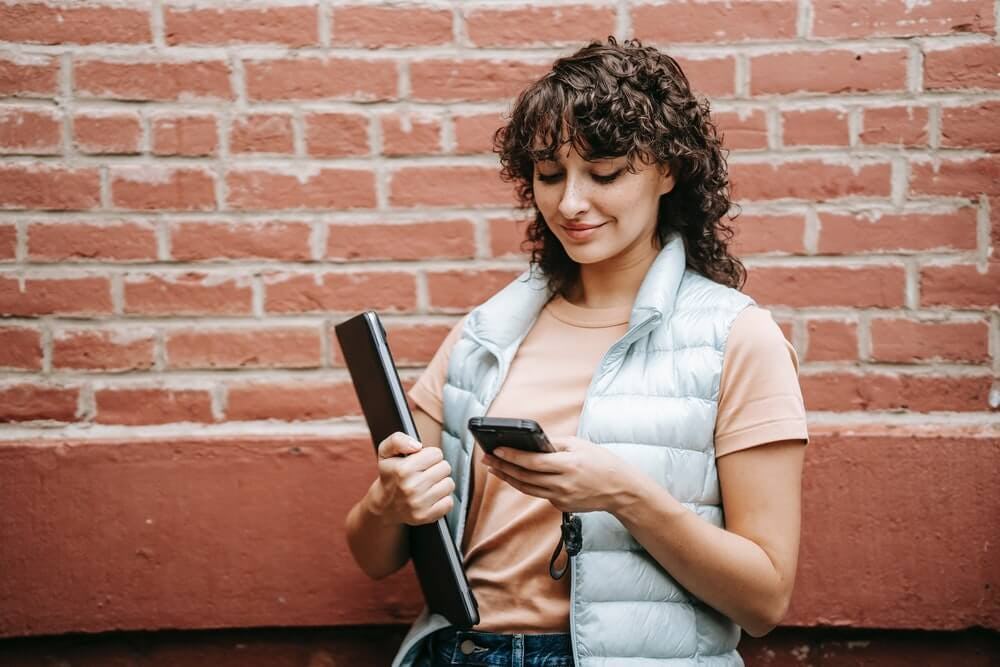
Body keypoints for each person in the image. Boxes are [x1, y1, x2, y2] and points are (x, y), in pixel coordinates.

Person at [344, 36, 808, 667]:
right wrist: (387, 501)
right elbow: (377, 557)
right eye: (550, 174)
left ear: (669, 170)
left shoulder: (736, 337)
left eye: (606, 173)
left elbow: (765, 600)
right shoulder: (486, 334)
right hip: (457, 652)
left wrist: (626, 495)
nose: (570, 203)